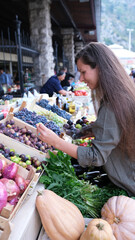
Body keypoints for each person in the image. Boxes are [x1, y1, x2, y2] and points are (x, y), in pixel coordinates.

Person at [37, 42, 135, 197]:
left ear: (100, 69)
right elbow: (114, 127)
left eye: (83, 72)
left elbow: (96, 157)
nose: (81, 79)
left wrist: (55, 141)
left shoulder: (112, 103)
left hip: (128, 185)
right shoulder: (121, 94)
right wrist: (83, 132)